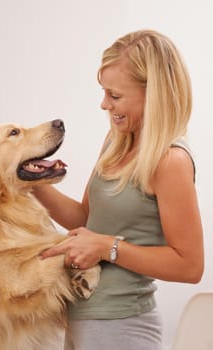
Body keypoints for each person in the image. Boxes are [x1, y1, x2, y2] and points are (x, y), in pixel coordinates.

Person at [33, 29, 204, 350]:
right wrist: (34, 182)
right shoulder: (115, 142)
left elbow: (190, 266)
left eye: (115, 95)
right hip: (81, 312)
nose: (104, 104)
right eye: (104, 92)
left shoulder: (170, 161)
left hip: (121, 325)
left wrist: (108, 247)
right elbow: (85, 218)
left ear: (154, 93)